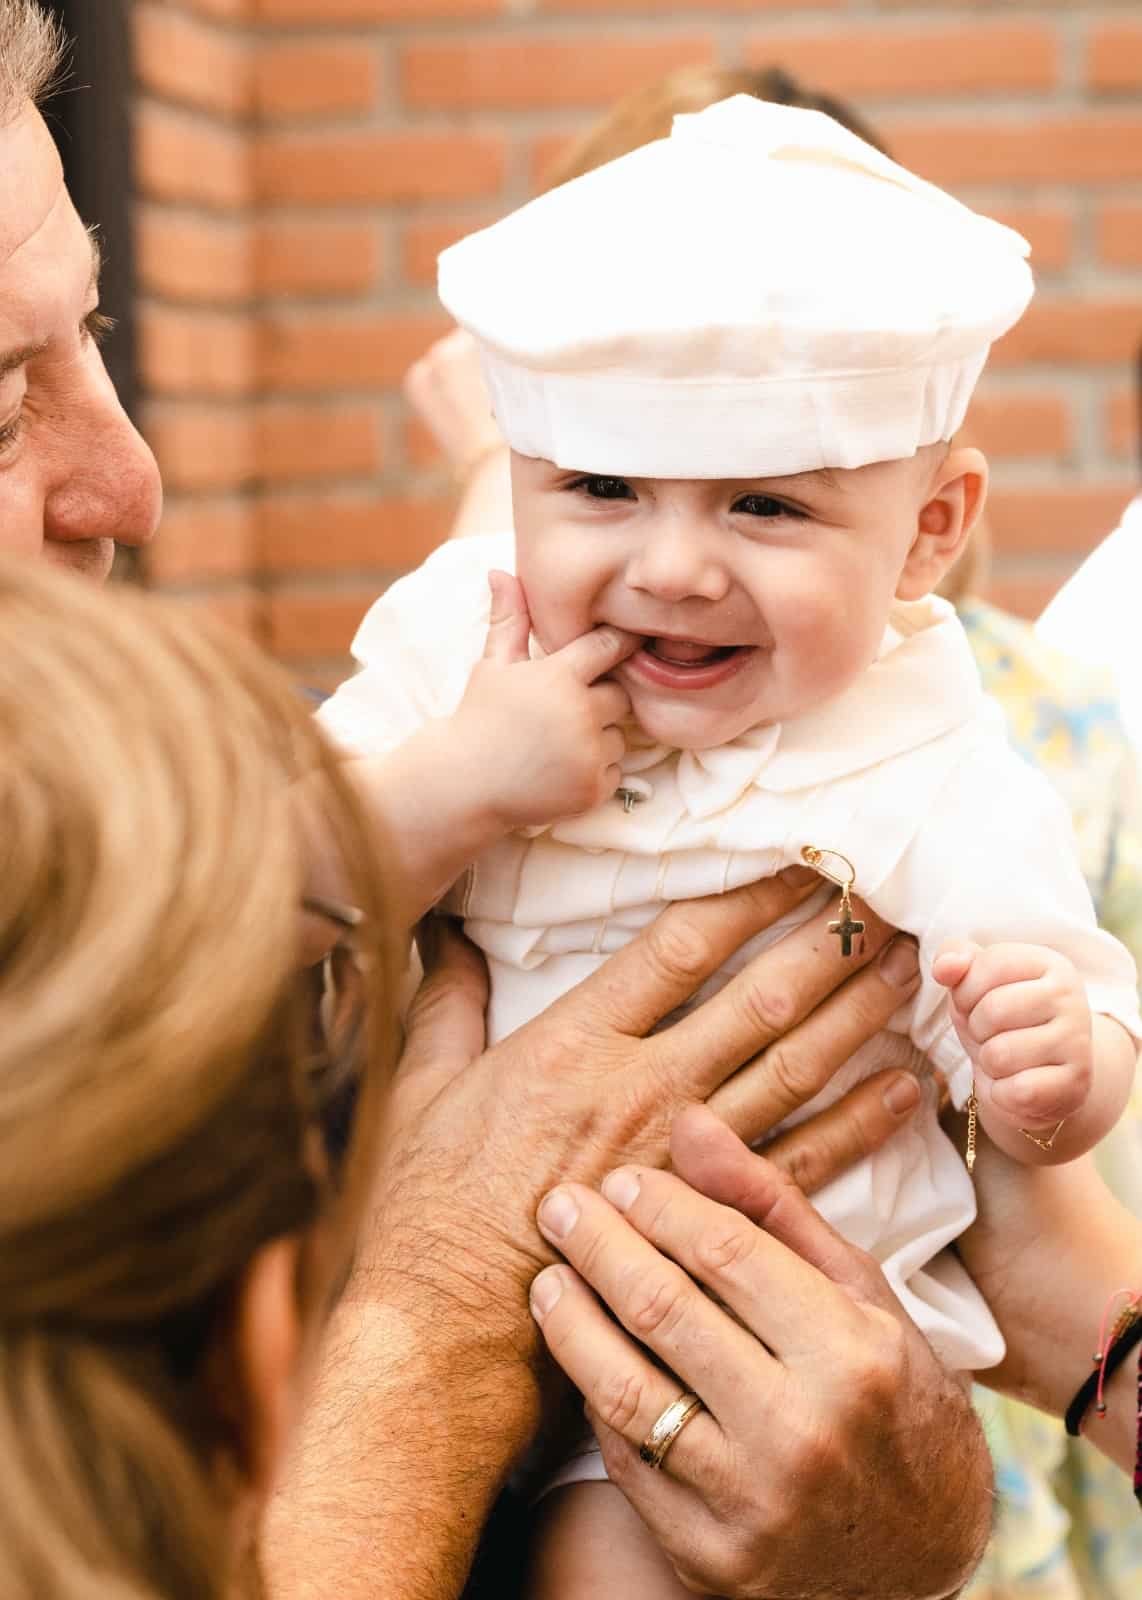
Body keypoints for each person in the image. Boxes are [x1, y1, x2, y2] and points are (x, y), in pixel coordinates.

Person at [0, 7, 1000, 1597]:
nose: (134, 485)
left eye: (97, 335)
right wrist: (432, 1310)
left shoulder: (925, 731)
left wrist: (948, 1460)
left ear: (929, 527)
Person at [319, 97, 1140, 1596]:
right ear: (511, 476)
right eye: (601, 490)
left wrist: (1051, 1070)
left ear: (928, 528)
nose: (674, 566)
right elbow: (275, 890)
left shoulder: (923, 742)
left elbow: (1052, 1019)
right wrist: (460, 785)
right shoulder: (458, 646)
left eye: (765, 505)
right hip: (374, 1303)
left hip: (746, 1355)